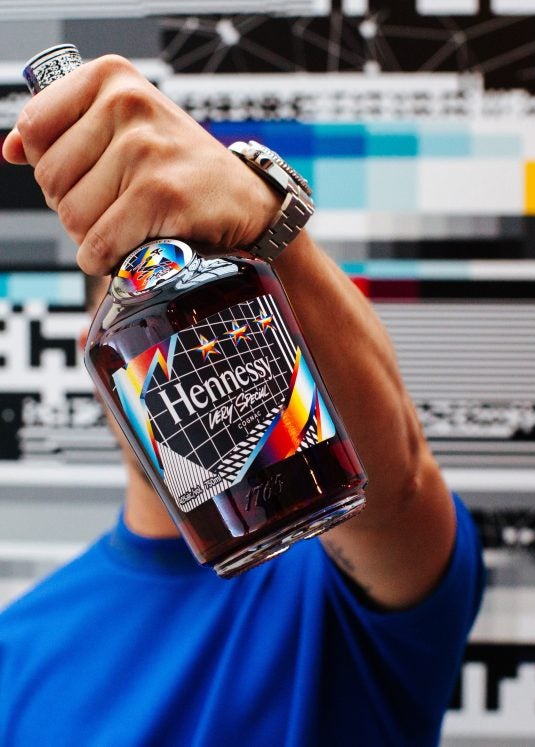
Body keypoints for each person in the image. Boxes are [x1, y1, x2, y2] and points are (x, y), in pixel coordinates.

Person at [0, 55, 484, 747]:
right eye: (154, 324)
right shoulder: (17, 651)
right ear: (101, 357)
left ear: (272, 312)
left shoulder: (335, 572)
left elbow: (397, 489)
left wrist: (261, 219)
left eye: (216, 303)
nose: (198, 345)